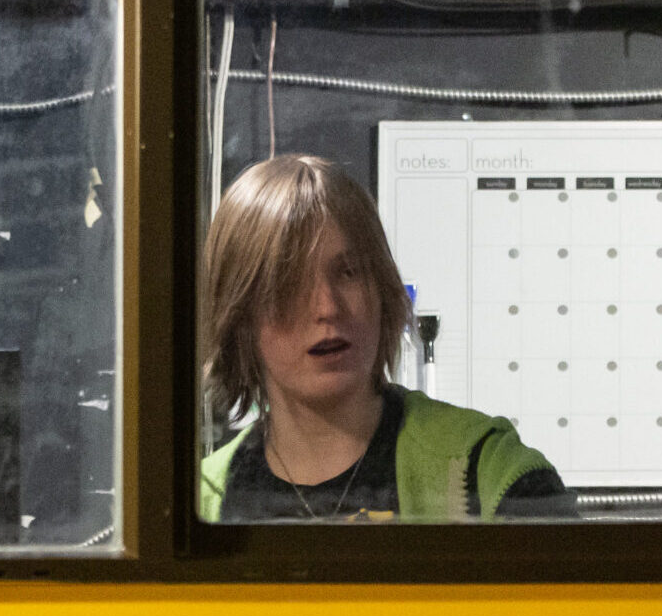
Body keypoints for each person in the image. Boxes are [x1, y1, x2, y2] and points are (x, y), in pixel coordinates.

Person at [197, 154, 572, 522]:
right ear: (239, 314)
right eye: (288, 281)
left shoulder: (486, 468)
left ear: (383, 289)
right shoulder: (203, 500)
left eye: (348, 272)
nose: (327, 307)